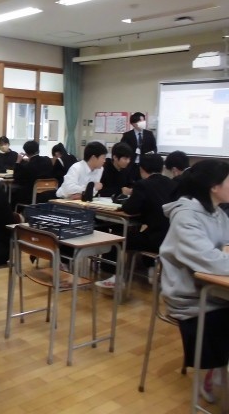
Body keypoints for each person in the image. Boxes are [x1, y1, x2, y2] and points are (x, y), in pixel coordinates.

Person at [160, 159, 229, 407]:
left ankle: (219, 368)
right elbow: (208, 259)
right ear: (214, 186)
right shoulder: (186, 216)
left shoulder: (219, 213)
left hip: (214, 289)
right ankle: (215, 369)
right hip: (190, 296)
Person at [96, 154, 175, 289]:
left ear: (142, 169)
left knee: (117, 238)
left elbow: (130, 209)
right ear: (161, 168)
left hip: (155, 239)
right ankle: (150, 269)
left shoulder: (143, 184)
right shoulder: (171, 183)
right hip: (172, 238)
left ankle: (116, 277)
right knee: (136, 233)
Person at [11, 140, 54, 205]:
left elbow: (16, 178)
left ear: (26, 152)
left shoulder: (27, 166)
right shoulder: (47, 160)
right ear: (38, 150)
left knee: (12, 192)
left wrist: (18, 161)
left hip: (30, 196)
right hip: (48, 194)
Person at [121, 112, 157, 180]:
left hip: (145, 165)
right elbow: (122, 149)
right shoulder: (127, 135)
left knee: (144, 183)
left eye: (143, 120)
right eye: (140, 121)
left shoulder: (149, 134)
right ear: (133, 123)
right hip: (131, 165)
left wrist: (149, 154)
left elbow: (154, 148)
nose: (143, 123)